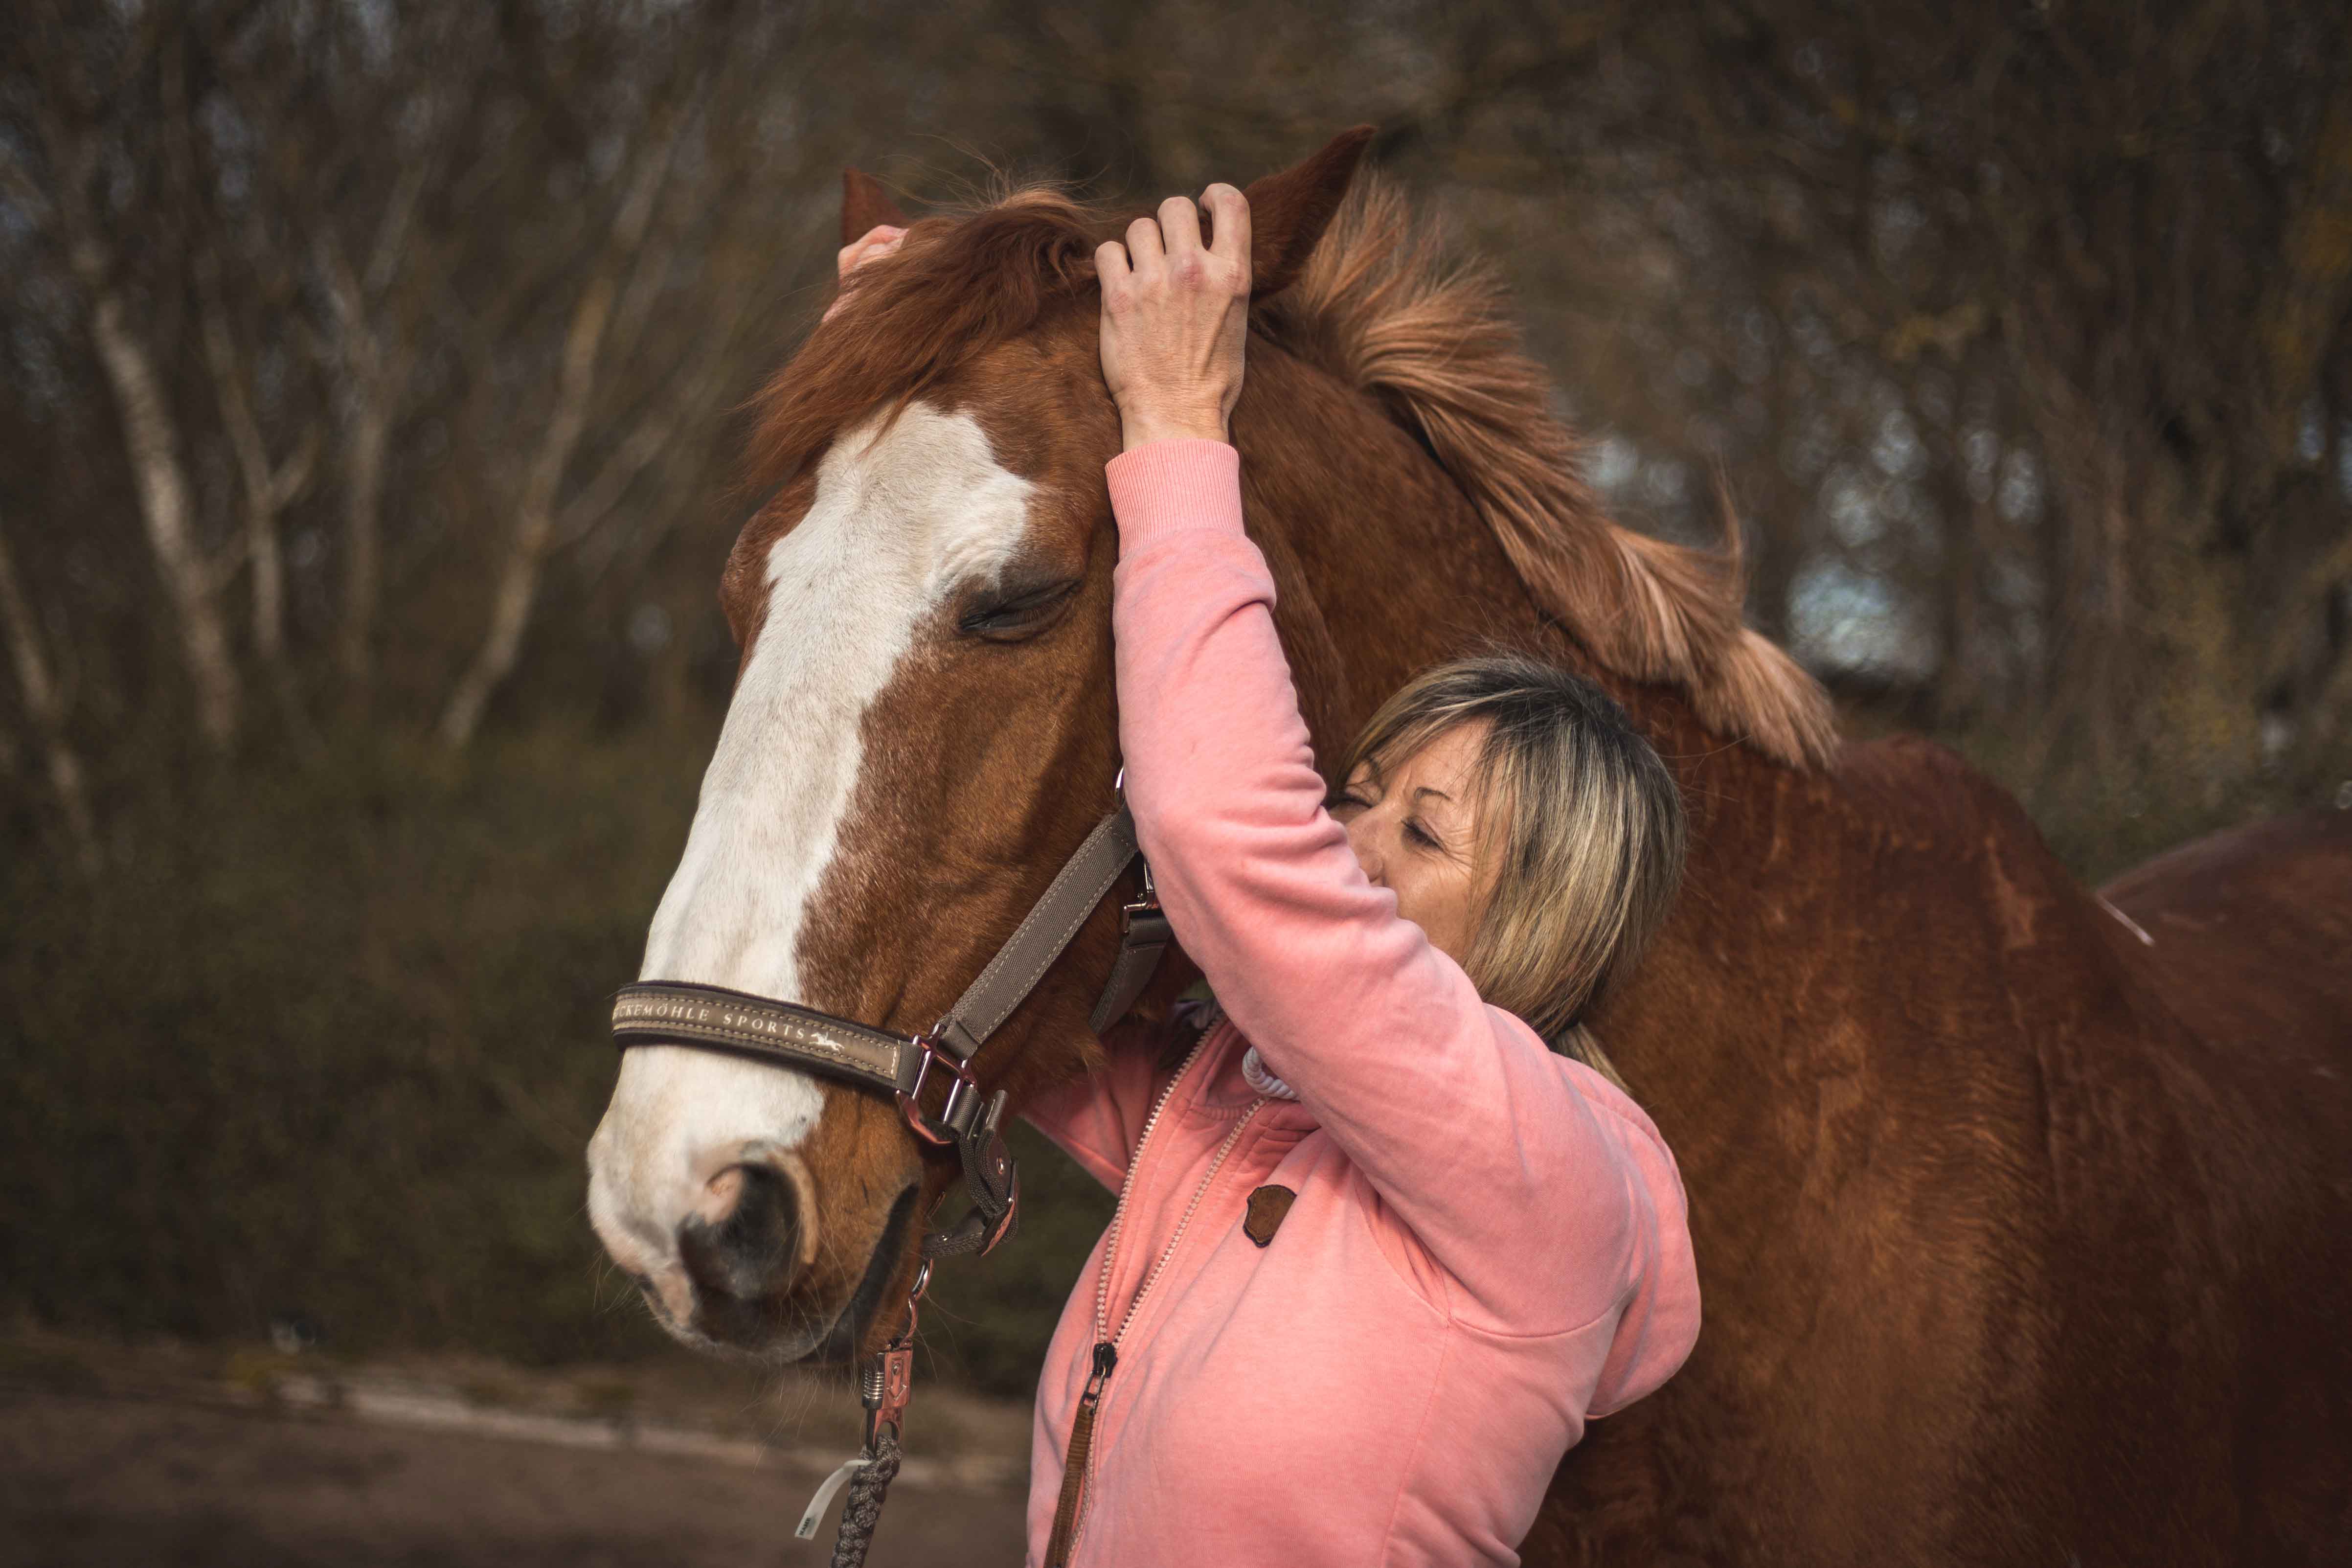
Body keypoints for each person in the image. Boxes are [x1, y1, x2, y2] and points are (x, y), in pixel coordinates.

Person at [842, 187, 1700, 1567]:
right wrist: (920, 391)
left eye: (1422, 835)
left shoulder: (1552, 1172)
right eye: (1354, 799)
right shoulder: (1233, 1102)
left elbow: (1227, 835)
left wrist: (1181, 434)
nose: (1347, 845)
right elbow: (1007, 962)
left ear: (1551, 916)